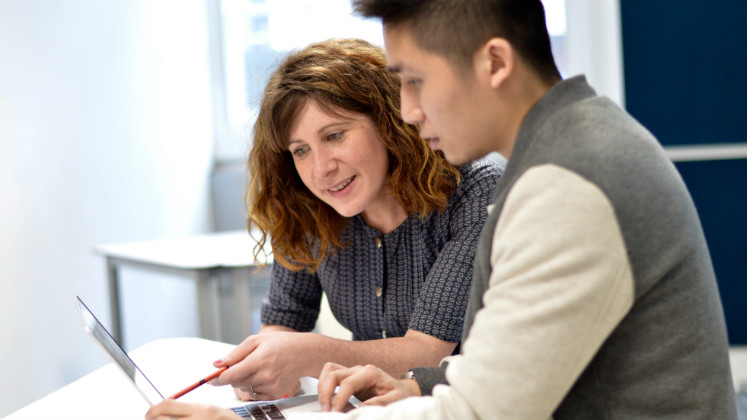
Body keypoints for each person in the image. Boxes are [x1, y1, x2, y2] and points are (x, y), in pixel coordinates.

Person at [145, 1, 737, 419]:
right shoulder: (574, 149)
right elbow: (511, 366)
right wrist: (416, 383)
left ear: (495, 63)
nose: (407, 110)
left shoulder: (566, 184)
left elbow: (479, 413)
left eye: (416, 80)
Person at [211, 38, 500, 402]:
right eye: (300, 150)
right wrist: (261, 370)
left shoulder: (473, 191)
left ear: (388, 123)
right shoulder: (307, 209)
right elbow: (285, 319)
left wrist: (305, 354)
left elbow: (428, 351)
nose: (320, 169)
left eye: (334, 135)